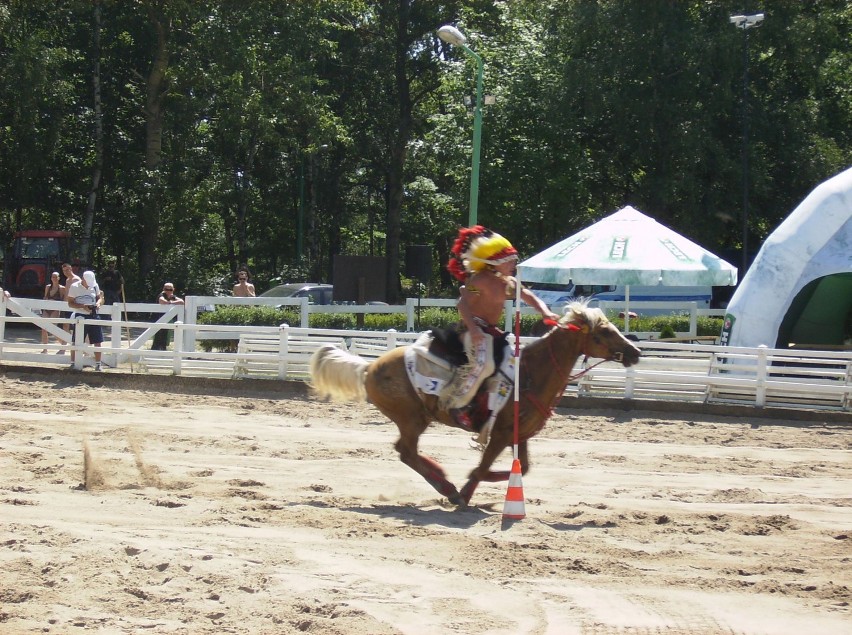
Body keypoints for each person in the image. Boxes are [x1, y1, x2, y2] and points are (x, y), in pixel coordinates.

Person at [442, 225, 559, 429]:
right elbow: (462, 303)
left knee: (512, 367)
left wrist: (545, 312)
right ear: (496, 262)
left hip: (491, 333)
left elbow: (528, 296)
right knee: (485, 365)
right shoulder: (478, 280)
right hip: (472, 330)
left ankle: (492, 408)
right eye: (510, 260)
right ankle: (457, 404)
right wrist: (475, 330)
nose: (514, 264)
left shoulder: (509, 282)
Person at [66, 270, 104, 371]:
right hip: (80, 315)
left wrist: (98, 304)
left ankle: (98, 364)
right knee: (76, 340)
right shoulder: (74, 287)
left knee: (98, 340)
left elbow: (99, 298)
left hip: (93, 314)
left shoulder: (95, 286)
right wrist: (83, 306)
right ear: (83, 279)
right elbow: (70, 303)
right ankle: (73, 363)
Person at [152, 282, 185, 350]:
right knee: (158, 335)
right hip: (158, 318)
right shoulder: (162, 295)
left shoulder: (172, 296)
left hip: (167, 318)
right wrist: (170, 302)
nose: (168, 291)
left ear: (173, 289)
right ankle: (155, 349)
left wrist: (171, 302)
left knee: (165, 335)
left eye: (170, 290)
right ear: (163, 289)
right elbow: (162, 301)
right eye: (167, 289)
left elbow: (182, 302)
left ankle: (163, 349)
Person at [41, 271, 66, 353]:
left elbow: (63, 299)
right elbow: (45, 297)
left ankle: (63, 344)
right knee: (44, 328)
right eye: (53, 277)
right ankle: (45, 349)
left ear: (59, 278)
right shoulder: (48, 287)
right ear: (51, 278)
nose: (54, 278)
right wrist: (47, 300)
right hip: (46, 309)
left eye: (56, 277)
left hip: (55, 309)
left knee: (52, 329)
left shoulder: (62, 288)